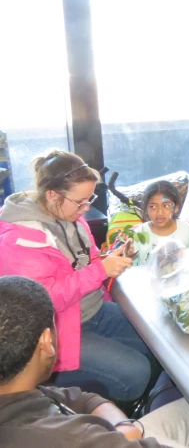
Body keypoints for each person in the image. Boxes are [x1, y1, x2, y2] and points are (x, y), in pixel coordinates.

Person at [0, 150, 152, 403]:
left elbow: (86, 261)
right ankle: (102, 409)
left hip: (90, 309)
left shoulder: (70, 216)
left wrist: (109, 257)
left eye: (89, 198)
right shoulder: (19, 239)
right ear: (52, 195)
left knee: (155, 342)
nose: (87, 207)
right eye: (80, 201)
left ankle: (138, 399)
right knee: (136, 373)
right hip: (55, 329)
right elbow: (44, 301)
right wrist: (101, 270)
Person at [0, 275, 189, 448]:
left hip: (116, 433)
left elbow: (84, 398)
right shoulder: (74, 439)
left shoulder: (17, 389)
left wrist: (122, 425)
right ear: (46, 341)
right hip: (113, 439)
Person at [131, 180, 189, 266]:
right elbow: (131, 268)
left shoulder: (186, 229)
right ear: (146, 209)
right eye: (153, 206)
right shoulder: (139, 234)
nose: (160, 212)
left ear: (176, 207)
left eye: (166, 205)